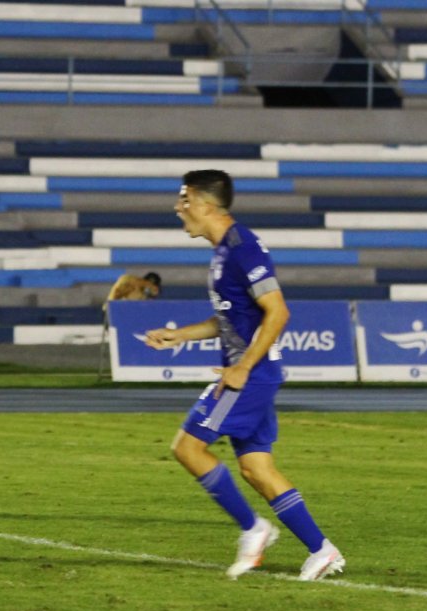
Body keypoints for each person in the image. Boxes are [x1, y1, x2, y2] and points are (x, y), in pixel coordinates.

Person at [145, 170, 344, 581]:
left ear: (204, 203)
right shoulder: (223, 253)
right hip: (254, 372)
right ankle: (321, 550)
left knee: (188, 448)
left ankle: (254, 529)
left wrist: (242, 368)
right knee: (256, 469)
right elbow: (229, 320)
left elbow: (279, 311)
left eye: (183, 199)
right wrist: (178, 336)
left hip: (250, 374)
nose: (178, 208)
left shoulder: (243, 248)